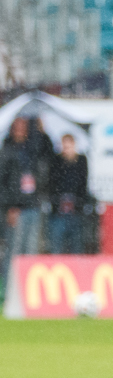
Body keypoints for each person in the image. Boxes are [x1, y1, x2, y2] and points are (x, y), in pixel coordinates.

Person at [0, 117, 45, 282]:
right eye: (17, 127)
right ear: (12, 129)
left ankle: (28, 289)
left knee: (31, 251)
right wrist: (10, 207)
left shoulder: (31, 149)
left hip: (33, 206)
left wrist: (41, 128)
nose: (20, 130)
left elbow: (47, 150)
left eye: (23, 127)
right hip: (16, 209)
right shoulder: (7, 151)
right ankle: (8, 289)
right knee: (13, 251)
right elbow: (3, 184)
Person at [47, 134, 90, 254]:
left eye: (68, 146)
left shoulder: (81, 160)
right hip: (59, 209)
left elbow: (83, 183)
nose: (66, 149)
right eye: (64, 146)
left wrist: (79, 201)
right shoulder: (57, 161)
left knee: (77, 245)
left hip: (76, 209)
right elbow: (53, 182)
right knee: (56, 244)